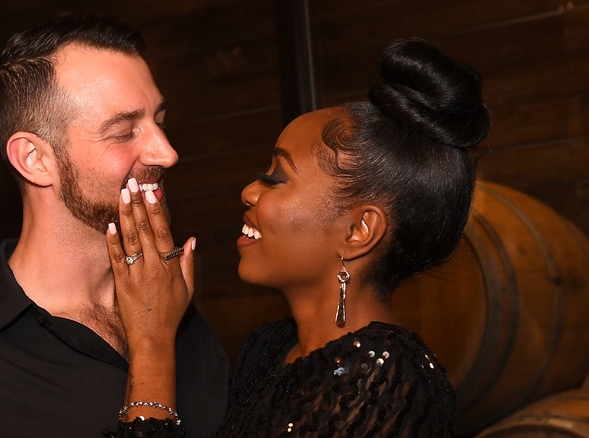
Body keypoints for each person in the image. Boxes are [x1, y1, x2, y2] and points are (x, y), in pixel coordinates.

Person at [104, 38, 491, 437]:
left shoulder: (381, 375)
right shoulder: (270, 348)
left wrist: (151, 344)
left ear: (358, 231)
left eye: (276, 178)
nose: (249, 192)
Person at [0, 14, 228, 437]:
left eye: (160, 121)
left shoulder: (179, 314)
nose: (166, 153)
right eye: (123, 132)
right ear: (34, 159)